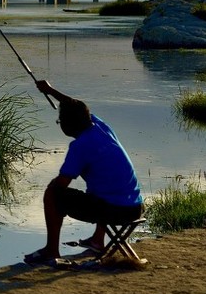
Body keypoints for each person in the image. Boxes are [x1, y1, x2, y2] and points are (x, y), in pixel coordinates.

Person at [24, 80, 143, 266]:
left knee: (52, 193)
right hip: (135, 208)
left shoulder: (80, 146)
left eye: (60, 121)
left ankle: (51, 250)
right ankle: (97, 240)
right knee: (103, 187)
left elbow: (61, 185)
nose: (60, 124)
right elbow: (77, 106)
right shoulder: (101, 127)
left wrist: (53, 185)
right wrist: (50, 90)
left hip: (116, 212)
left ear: (67, 125)